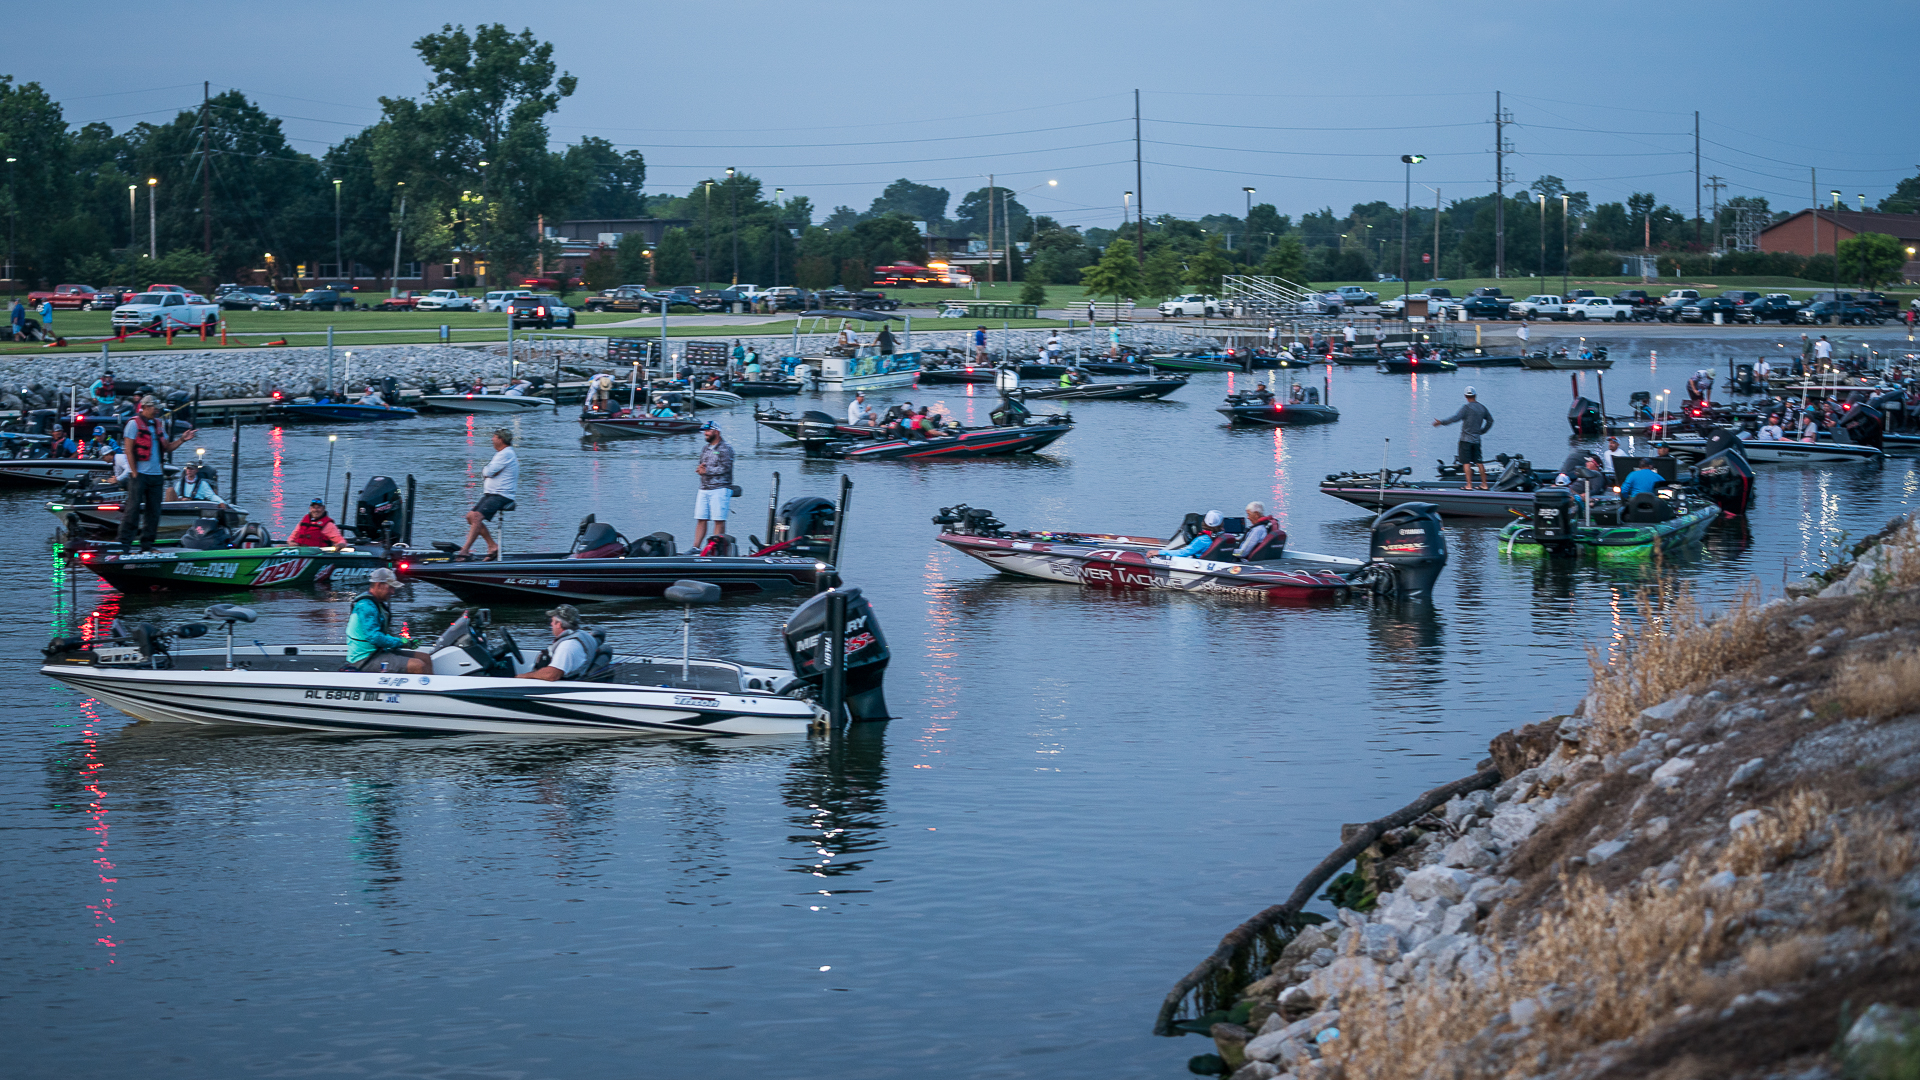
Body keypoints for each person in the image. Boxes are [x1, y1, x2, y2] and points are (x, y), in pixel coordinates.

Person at [118, 395, 196, 551]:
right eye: (154, 408)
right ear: (145, 407)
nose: (157, 411)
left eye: (158, 408)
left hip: (156, 475)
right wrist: (134, 473)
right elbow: (128, 449)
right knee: (132, 510)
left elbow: (167, 447)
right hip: (139, 475)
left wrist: (182, 439)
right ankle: (123, 544)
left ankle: (147, 545)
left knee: (153, 512)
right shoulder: (133, 424)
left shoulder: (158, 424)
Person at [346, 568, 429, 674]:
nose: (393, 592)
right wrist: (402, 643)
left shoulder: (376, 604)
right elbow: (375, 638)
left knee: (425, 658)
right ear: (379, 585)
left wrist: (406, 641)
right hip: (364, 659)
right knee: (418, 665)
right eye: (390, 588)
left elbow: (382, 636)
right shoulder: (366, 606)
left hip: (378, 652)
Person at [458, 429, 518, 559]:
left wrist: (486, 471)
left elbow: (488, 472)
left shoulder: (505, 454)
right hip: (491, 494)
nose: (492, 439)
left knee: (477, 517)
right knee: (470, 516)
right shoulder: (501, 454)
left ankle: (464, 550)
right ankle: (492, 546)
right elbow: (489, 471)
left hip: (501, 495)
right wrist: (487, 471)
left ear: (501, 440)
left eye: (494, 437)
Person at [1433, 387, 1495, 489]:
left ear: (1465, 396)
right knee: (1479, 462)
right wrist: (1482, 431)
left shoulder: (1466, 408)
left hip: (1465, 440)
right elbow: (1490, 421)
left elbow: (1455, 418)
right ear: (1475, 395)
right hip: (1477, 440)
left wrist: (1441, 422)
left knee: (1466, 463)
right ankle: (1484, 484)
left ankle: (1469, 485)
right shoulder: (1482, 408)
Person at [516, 605, 599, 681]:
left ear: (558, 624)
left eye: (552, 621)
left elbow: (552, 675)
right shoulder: (585, 635)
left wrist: (524, 676)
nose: (551, 624)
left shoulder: (567, 646)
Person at [692, 421, 734, 549]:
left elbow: (726, 468)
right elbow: (703, 464)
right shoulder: (705, 448)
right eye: (704, 431)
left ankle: (716, 548)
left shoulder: (726, 448)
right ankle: (695, 548)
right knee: (701, 518)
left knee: (718, 520)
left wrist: (707, 471)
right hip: (704, 488)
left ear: (716, 432)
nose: (705, 433)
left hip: (720, 488)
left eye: (708, 431)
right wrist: (700, 469)